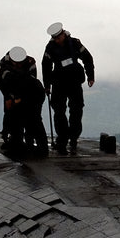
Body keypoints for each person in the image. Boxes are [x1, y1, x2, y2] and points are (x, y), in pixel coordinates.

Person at [42, 22, 94, 155]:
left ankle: (74, 138)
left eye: (59, 38)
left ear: (63, 34)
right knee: (59, 112)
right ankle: (62, 140)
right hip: (59, 84)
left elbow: (87, 58)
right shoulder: (51, 47)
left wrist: (90, 76)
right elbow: (46, 66)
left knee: (76, 111)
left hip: (74, 83)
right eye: (55, 39)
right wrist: (47, 85)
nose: (57, 40)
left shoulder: (75, 43)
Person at [0, 47, 48, 158]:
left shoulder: (6, 73)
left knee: (34, 120)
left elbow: (23, 85)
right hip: (29, 93)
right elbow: (8, 94)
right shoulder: (3, 73)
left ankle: (41, 149)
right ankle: (18, 144)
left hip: (34, 94)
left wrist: (18, 98)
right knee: (17, 117)